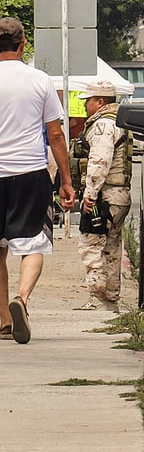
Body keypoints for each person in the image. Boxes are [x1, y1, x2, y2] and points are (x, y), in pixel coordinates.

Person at [0, 17, 76, 344]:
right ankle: (21, 297)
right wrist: (66, 180)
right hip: (30, 174)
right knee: (35, 243)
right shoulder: (40, 81)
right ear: (23, 45)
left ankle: (6, 321)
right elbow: (55, 135)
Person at [71, 80, 131, 312]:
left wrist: (90, 194)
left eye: (88, 101)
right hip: (119, 194)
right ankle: (111, 299)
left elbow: (99, 160)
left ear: (100, 102)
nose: (86, 105)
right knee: (112, 247)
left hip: (104, 195)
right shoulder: (120, 122)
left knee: (91, 243)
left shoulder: (103, 125)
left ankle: (97, 297)